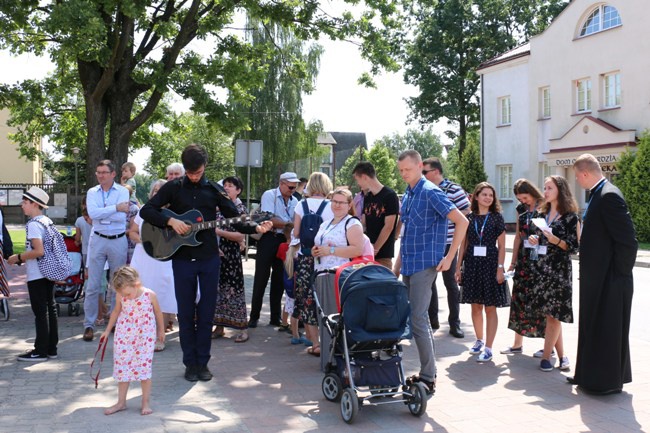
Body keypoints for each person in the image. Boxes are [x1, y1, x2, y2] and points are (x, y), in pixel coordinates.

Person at [140, 144, 272, 382]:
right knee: (186, 311)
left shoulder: (215, 190)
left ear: (205, 167)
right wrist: (170, 221)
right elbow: (147, 211)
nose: (193, 176)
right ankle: (190, 364)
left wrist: (255, 227)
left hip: (209, 257)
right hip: (181, 258)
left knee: (207, 311)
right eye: (190, 173)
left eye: (197, 172)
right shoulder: (173, 187)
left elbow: (235, 218)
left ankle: (203, 362)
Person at [393, 150, 468, 394]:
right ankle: (422, 372)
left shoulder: (430, 191)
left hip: (426, 264)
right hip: (410, 263)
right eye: (401, 170)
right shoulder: (409, 192)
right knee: (413, 317)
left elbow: (462, 221)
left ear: (419, 167)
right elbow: (407, 233)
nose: (404, 174)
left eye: (408, 169)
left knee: (418, 318)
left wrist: (449, 257)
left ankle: (427, 376)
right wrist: (397, 263)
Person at [567, 154, 637, 394]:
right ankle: (588, 376)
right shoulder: (599, 194)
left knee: (607, 330)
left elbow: (628, 242)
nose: (577, 180)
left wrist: (618, 276)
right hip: (598, 278)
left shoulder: (608, 196)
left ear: (585, 173)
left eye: (577, 176)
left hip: (610, 280)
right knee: (595, 327)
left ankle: (604, 382)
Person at [528, 175, 580, 372]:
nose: (545, 191)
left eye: (549, 188)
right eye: (545, 188)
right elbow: (538, 239)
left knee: (554, 315)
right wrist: (535, 239)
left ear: (560, 190)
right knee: (550, 315)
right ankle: (562, 356)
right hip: (542, 269)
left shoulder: (571, 217)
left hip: (559, 271)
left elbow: (573, 247)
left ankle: (547, 357)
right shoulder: (542, 214)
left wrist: (555, 240)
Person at [100, 266, 164, 416]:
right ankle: (121, 402)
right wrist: (108, 330)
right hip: (124, 336)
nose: (126, 297)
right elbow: (116, 311)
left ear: (136, 284)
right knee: (123, 368)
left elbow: (158, 312)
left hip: (145, 337)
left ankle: (145, 403)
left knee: (144, 369)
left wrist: (161, 330)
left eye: (127, 294)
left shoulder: (150, 295)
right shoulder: (121, 295)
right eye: (123, 295)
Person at [456, 182, 509, 363]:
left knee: (490, 307)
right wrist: (458, 267)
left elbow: (502, 246)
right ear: (476, 196)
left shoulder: (496, 218)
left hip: (490, 264)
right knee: (476, 306)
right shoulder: (468, 218)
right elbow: (463, 244)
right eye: (484, 194)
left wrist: (500, 268)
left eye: (491, 195)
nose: (488, 197)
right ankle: (479, 340)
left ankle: (489, 347)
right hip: (472, 264)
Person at [311, 188, 365, 359]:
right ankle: (329, 360)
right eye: (334, 201)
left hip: (340, 277)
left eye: (341, 202)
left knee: (336, 320)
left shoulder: (352, 223)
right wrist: (316, 251)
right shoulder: (325, 223)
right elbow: (321, 246)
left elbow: (357, 249)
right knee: (325, 319)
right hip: (321, 274)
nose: (337, 205)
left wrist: (330, 250)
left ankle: (339, 361)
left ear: (349, 205)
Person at [6, 187, 58, 361]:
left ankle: (40, 351)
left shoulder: (34, 224)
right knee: (50, 308)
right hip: (48, 272)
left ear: (35, 204)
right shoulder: (46, 221)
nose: (22, 205)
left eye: (25, 202)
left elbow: (39, 251)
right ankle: (51, 348)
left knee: (40, 312)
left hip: (38, 273)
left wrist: (18, 257)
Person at [422, 157, 470, 338]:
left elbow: (466, 211)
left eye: (425, 172)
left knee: (450, 283)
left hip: (448, 243)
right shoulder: (424, 189)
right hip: (430, 243)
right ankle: (431, 319)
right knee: (429, 282)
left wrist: (446, 217)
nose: (422, 175)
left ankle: (454, 323)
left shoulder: (454, 189)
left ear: (435, 172)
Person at [83, 160, 131, 341]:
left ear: (113, 174)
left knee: (117, 284)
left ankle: (115, 320)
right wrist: (114, 208)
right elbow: (93, 214)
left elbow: (121, 217)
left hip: (117, 240)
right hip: (98, 240)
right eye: (98, 172)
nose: (100, 175)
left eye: (104, 172)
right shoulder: (92, 192)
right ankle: (89, 324)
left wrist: (108, 212)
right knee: (93, 285)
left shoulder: (123, 191)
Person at [128, 179, 177, 351]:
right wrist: (143, 241)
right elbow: (132, 232)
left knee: (162, 295)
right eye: (155, 190)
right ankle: (141, 335)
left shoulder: (173, 214)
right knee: (140, 296)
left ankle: (160, 337)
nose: (157, 193)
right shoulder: (144, 211)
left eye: (160, 190)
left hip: (164, 259)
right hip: (143, 257)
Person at [501, 179, 547, 355]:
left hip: (541, 260)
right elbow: (519, 237)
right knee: (519, 300)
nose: (523, 201)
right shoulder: (521, 210)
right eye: (520, 199)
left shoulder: (546, 207)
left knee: (541, 302)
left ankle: (547, 345)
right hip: (524, 260)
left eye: (525, 197)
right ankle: (517, 344)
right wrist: (512, 262)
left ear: (532, 192)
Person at [249, 172, 300, 328]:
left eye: (295, 186)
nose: (293, 189)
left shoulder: (295, 200)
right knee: (261, 279)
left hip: (284, 240)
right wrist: (287, 225)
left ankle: (275, 317)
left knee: (279, 280)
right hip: (268, 238)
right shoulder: (269, 195)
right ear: (281, 183)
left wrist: (285, 225)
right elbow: (268, 219)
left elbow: (291, 222)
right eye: (290, 186)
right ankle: (254, 317)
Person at [292, 172, 334, 349]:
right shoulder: (331, 206)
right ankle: (328, 341)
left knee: (306, 299)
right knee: (325, 297)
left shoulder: (301, 205)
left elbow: (295, 233)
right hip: (323, 258)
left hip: (304, 258)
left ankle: (315, 342)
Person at [212, 176, 250, 343]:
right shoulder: (218, 207)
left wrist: (219, 233)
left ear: (238, 190)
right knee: (217, 291)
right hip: (215, 253)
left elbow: (240, 235)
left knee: (234, 291)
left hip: (231, 255)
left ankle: (243, 329)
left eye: (230, 186)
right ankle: (219, 327)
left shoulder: (240, 209)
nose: (226, 188)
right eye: (225, 185)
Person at [352, 161, 399, 269]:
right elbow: (363, 223)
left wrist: (375, 248)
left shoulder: (390, 196)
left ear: (364, 177)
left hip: (382, 255)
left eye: (357, 179)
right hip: (366, 253)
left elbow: (389, 226)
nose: (358, 184)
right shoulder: (367, 196)